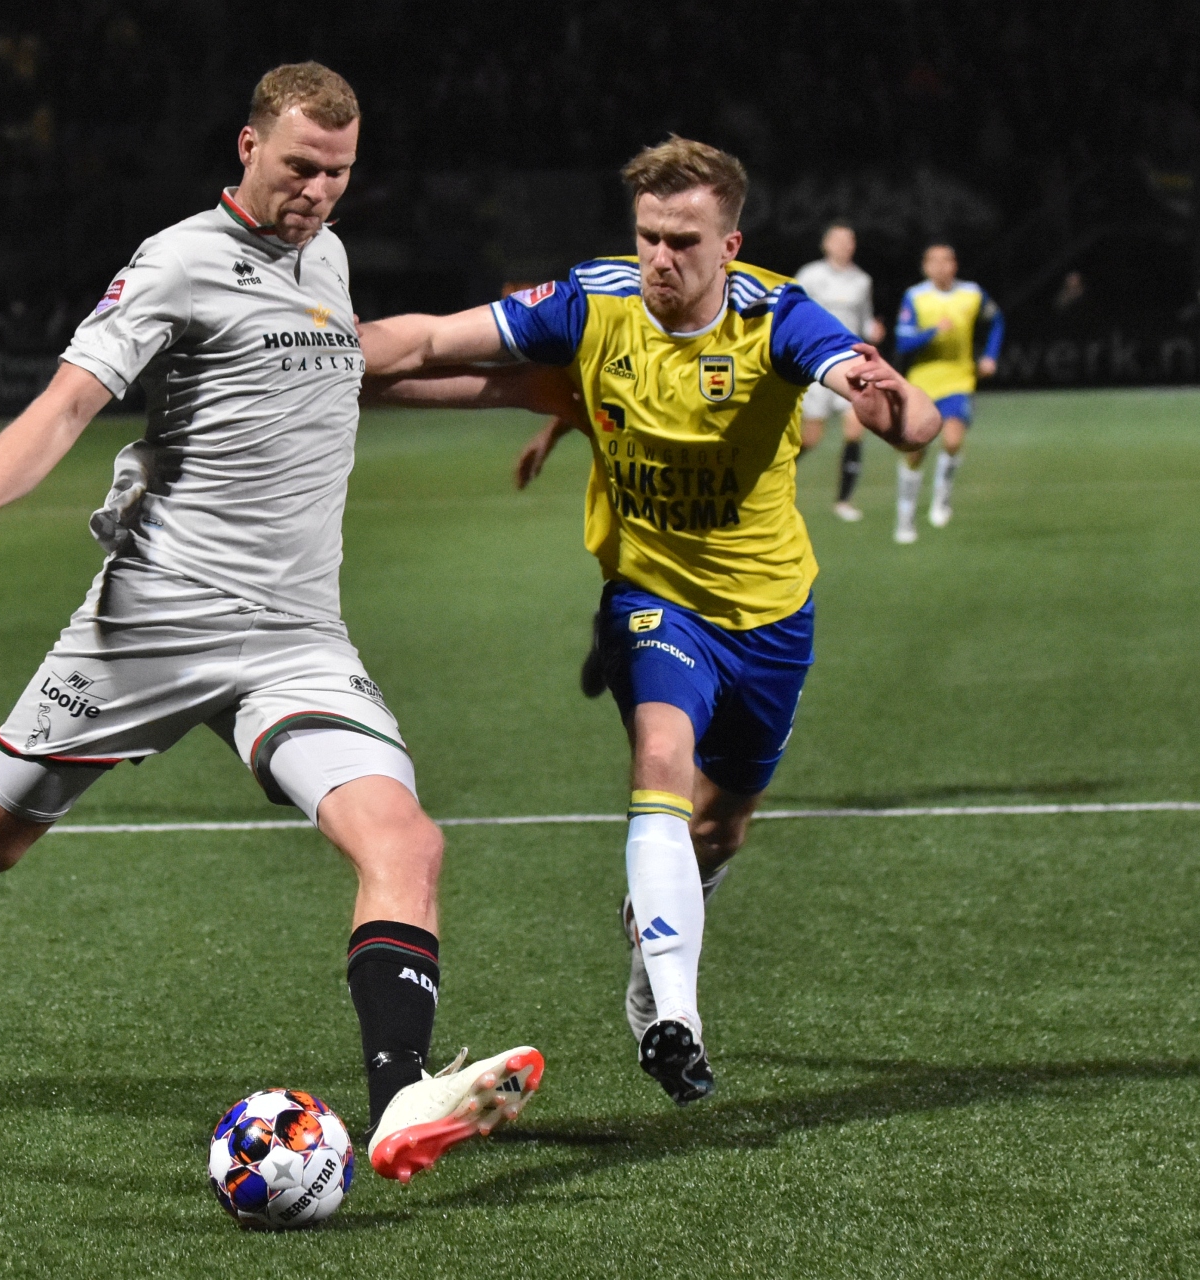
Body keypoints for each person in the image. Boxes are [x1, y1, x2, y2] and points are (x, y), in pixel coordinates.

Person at [0, 62, 541, 1183]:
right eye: (300, 167)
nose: (318, 191)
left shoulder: (328, 256)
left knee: (407, 841)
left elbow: (344, 369)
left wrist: (519, 388)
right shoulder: (177, 262)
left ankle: (401, 1096)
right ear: (247, 147)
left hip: (296, 635)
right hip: (156, 622)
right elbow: (68, 400)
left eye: (340, 172)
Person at [360, 137, 938, 1105]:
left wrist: (887, 401)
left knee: (723, 825)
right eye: (647, 236)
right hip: (653, 595)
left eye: (682, 240)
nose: (660, 258)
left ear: (730, 242)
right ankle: (676, 1016)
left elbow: (902, 417)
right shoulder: (596, 298)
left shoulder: (777, 315)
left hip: (769, 614)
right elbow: (428, 346)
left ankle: (655, 948)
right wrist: (304, 345)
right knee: (661, 760)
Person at [892, 243, 1001, 542]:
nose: (941, 266)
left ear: (955, 264)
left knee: (953, 440)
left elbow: (996, 321)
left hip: (958, 381)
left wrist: (990, 355)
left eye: (947, 260)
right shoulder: (915, 297)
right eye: (934, 261)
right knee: (915, 452)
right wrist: (931, 332)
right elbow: (902, 344)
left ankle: (941, 496)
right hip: (922, 384)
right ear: (925, 267)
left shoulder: (972, 293)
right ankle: (905, 515)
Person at [795, 221, 885, 522]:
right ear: (826, 244)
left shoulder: (862, 280)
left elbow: (865, 321)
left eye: (850, 240)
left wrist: (874, 330)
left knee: (855, 427)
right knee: (811, 438)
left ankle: (844, 501)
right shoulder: (809, 276)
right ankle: (772, 481)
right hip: (815, 364)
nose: (845, 246)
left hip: (849, 363)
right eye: (839, 240)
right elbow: (791, 311)